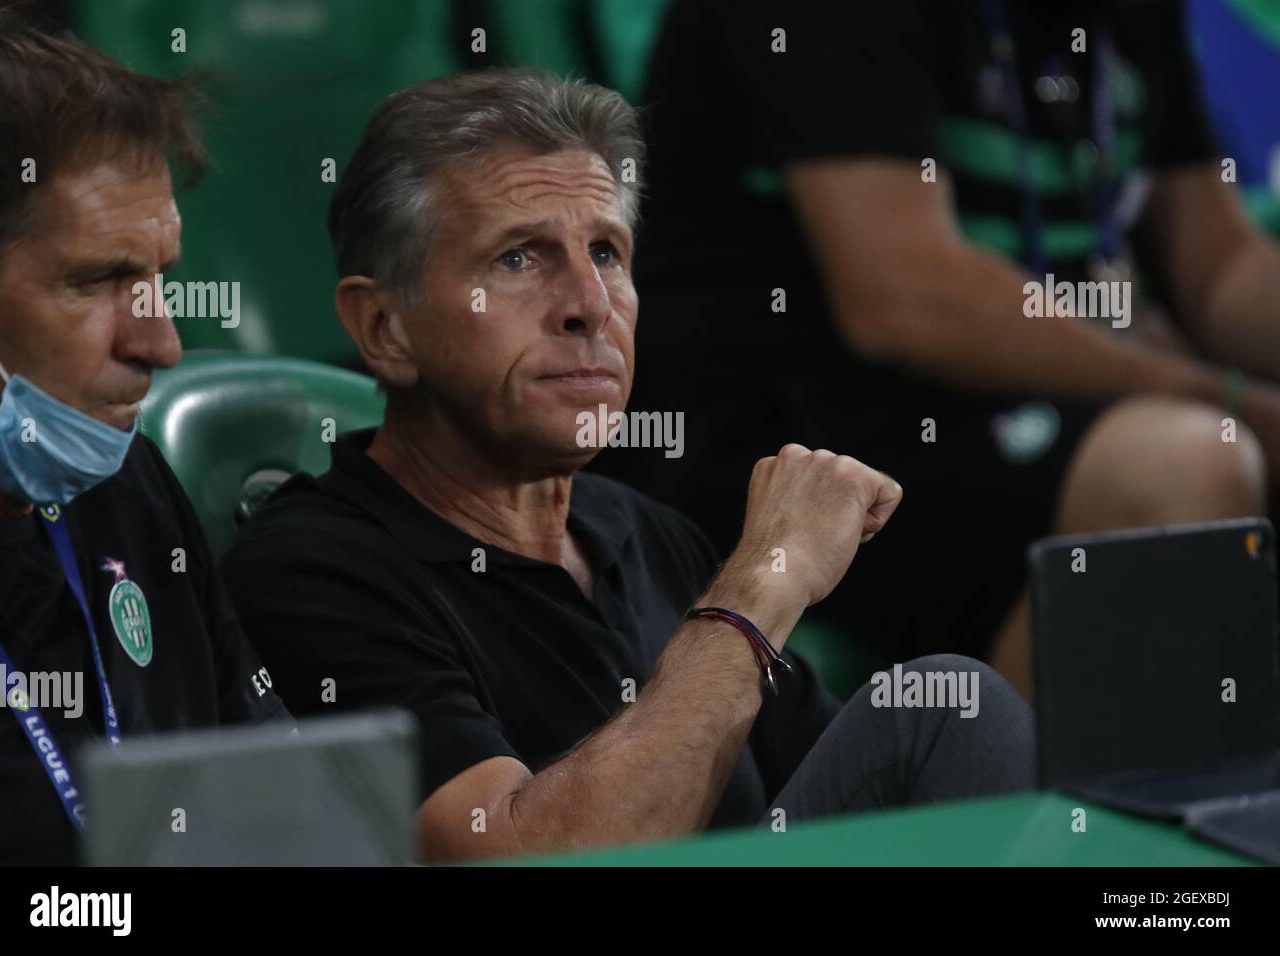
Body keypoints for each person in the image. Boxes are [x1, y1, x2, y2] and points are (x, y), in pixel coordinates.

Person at [222, 69, 1035, 864]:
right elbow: (505, 857)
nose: (590, 304)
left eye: (607, 253)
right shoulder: (313, 567)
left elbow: (860, 796)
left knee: (944, 711)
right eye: (518, 259)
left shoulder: (647, 534)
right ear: (384, 327)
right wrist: (761, 586)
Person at [598, 0, 1277, 697]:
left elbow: (1218, 268)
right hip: (794, 440)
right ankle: (1004, 793)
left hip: (1025, 413)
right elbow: (903, 298)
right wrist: (1222, 400)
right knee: (1189, 466)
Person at [0, 11, 289, 866]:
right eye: (100, 280)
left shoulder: (130, 484)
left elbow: (274, 812)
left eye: (160, 280)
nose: (161, 344)